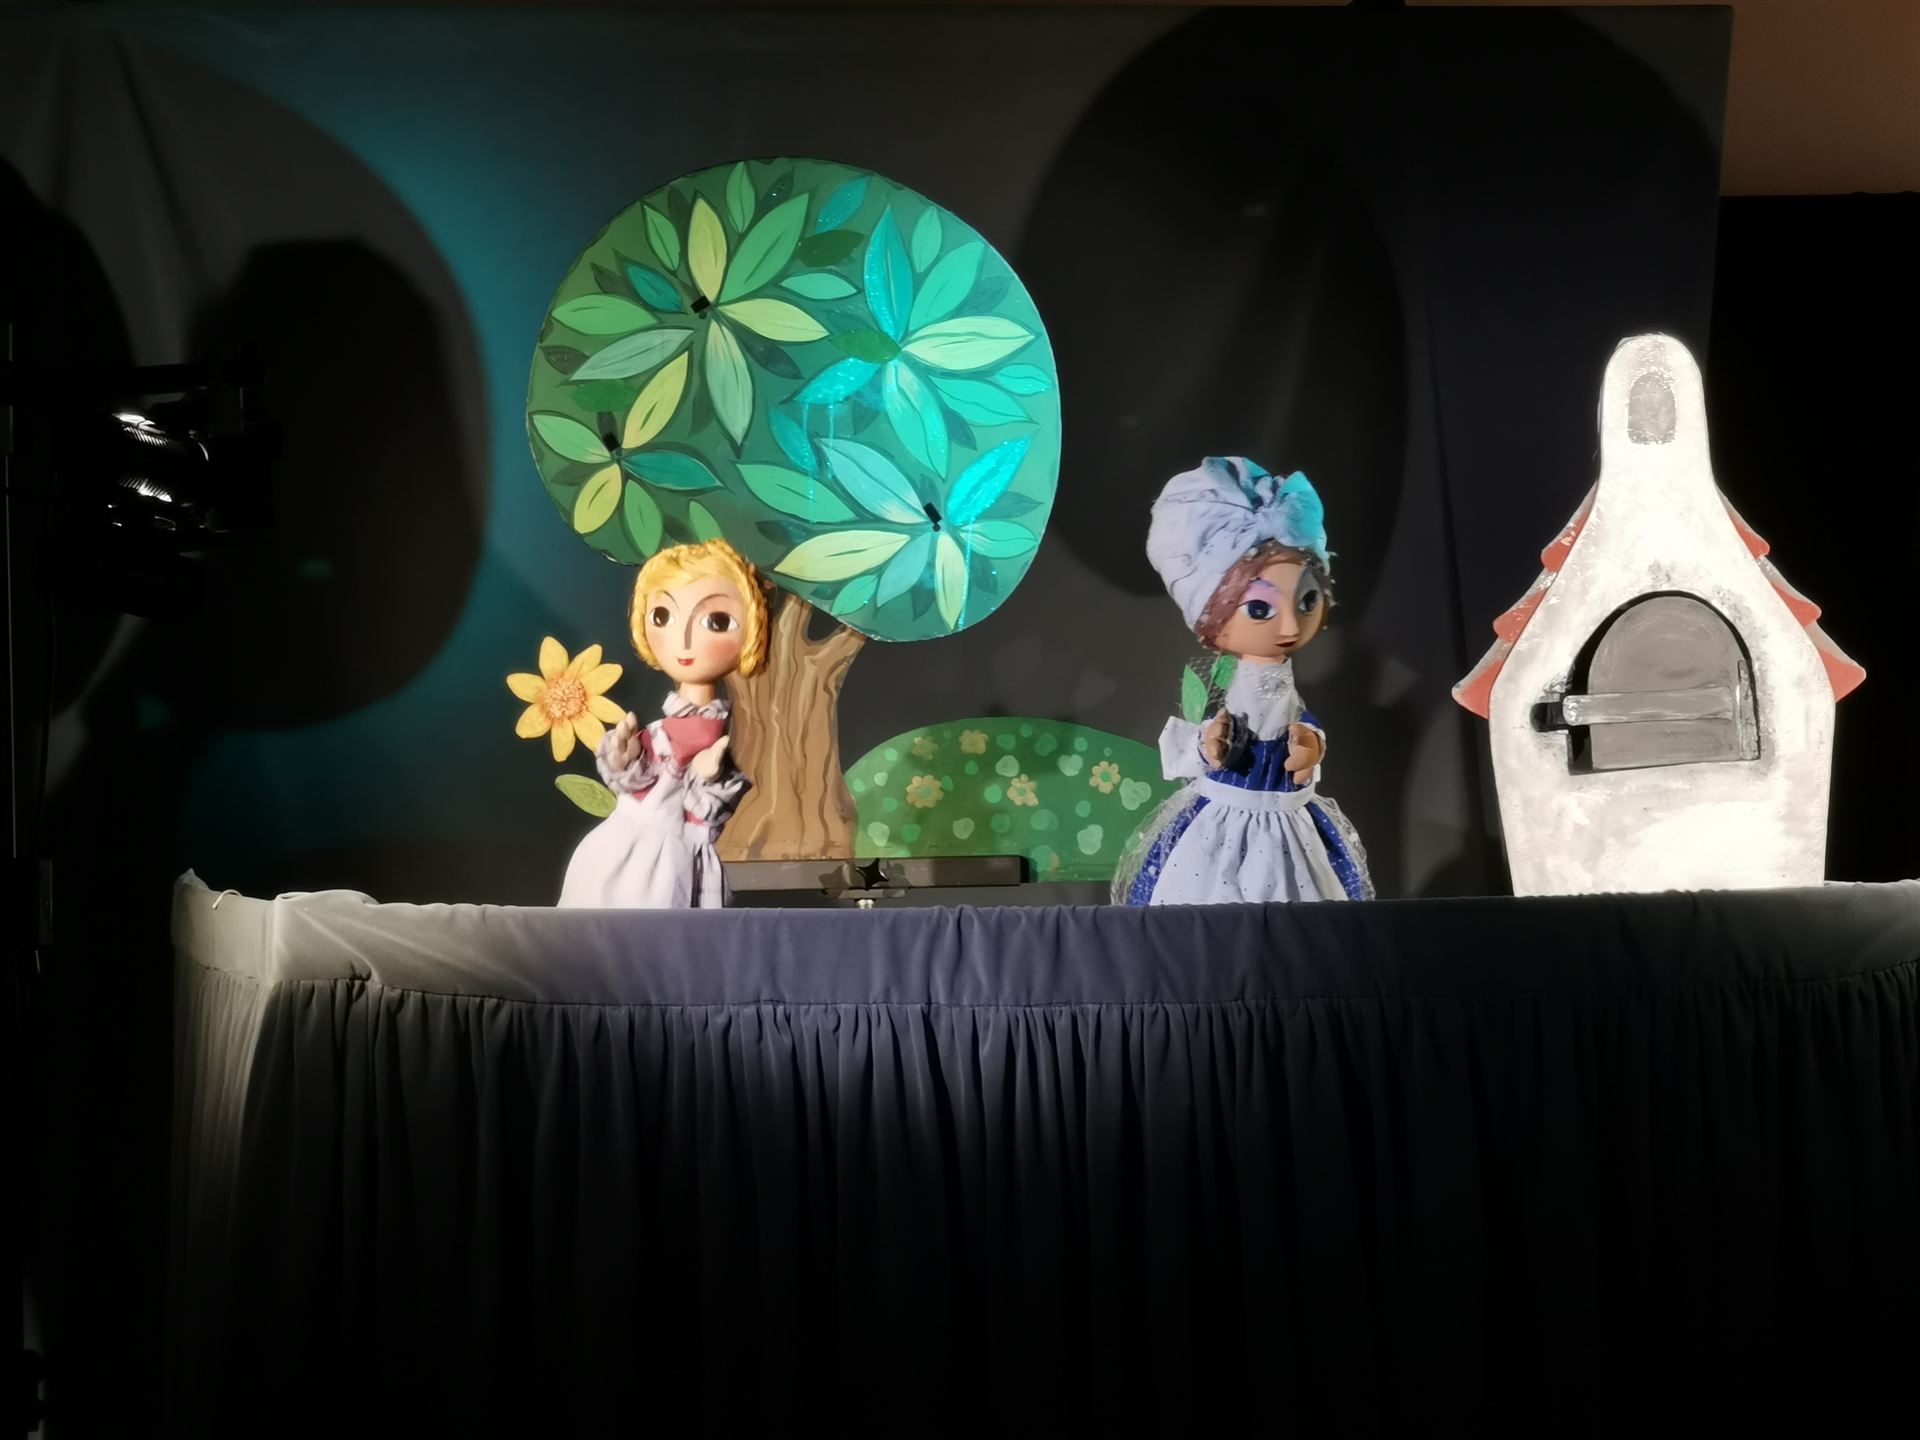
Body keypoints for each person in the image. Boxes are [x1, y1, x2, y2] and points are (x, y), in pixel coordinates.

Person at [1116, 457, 1372, 905]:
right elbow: (1206, 738)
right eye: (1259, 608)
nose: (1289, 625)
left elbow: (1295, 716)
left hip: (1287, 814)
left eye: (1307, 600)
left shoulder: (1281, 679)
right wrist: (1210, 744)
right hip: (1226, 814)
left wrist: (1309, 743)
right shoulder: (1217, 683)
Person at [558, 539, 767, 908]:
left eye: (716, 622)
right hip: (628, 857)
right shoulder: (666, 730)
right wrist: (627, 758)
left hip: (668, 862)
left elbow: (703, 816)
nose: (683, 641)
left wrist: (708, 777)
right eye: (662, 616)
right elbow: (642, 785)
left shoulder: (714, 732)